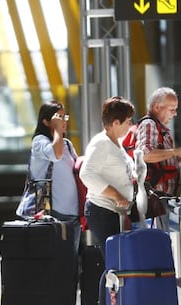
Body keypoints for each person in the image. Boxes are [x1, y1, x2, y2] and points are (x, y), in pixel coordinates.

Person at [80, 96, 135, 258]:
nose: (130, 125)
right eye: (128, 121)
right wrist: (116, 194)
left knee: (120, 260)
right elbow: (87, 174)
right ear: (116, 123)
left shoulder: (116, 142)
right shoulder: (101, 143)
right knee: (115, 261)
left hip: (115, 212)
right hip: (103, 211)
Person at [29, 100, 80, 254]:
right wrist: (57, 130)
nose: (63, 122)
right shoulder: (39, 142)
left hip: (73, 212)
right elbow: (56, 155)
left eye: (65, 117)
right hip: (52, 212)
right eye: (59, 118)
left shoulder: (67, 144)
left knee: (71, 260)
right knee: (56, 260)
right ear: (46, 121)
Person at [135, 87, 181, 231]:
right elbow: (146, 154)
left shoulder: (161, 129)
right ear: (157, 107)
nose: (175, 114)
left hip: (165, 201)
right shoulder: (149, 124)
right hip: (157, 203)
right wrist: (175, 152)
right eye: (172, 109)